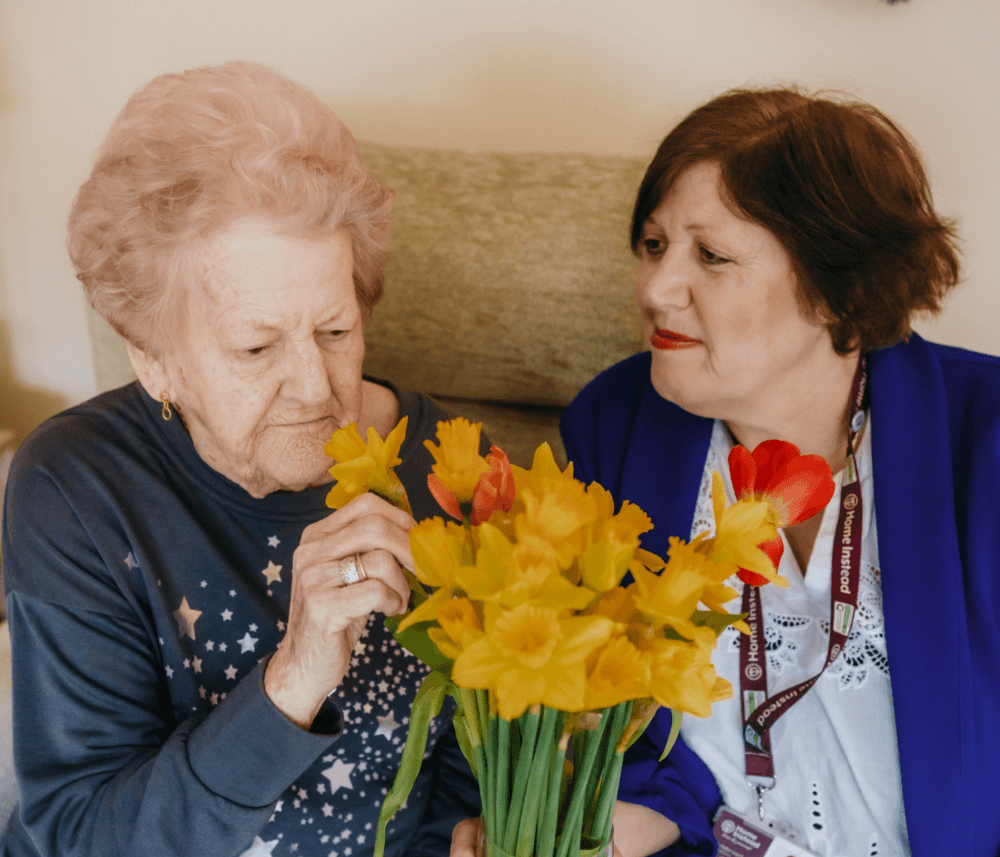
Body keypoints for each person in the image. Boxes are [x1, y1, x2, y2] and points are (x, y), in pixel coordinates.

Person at [0, 61, 481, 857]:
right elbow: (85, 836)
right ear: (153, 357)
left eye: (335, 331)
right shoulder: (76, 488)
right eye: (256, 346)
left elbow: (470, 787)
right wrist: (294, 677)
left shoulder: (450, 471)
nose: (313, 388)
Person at [559, 89, 1000, 857]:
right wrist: (623, 820)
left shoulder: (987, 441)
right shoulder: (614, 424)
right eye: (654, 244)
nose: (655, 288)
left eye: (711, 255)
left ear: (839, 286)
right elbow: (631, 739)